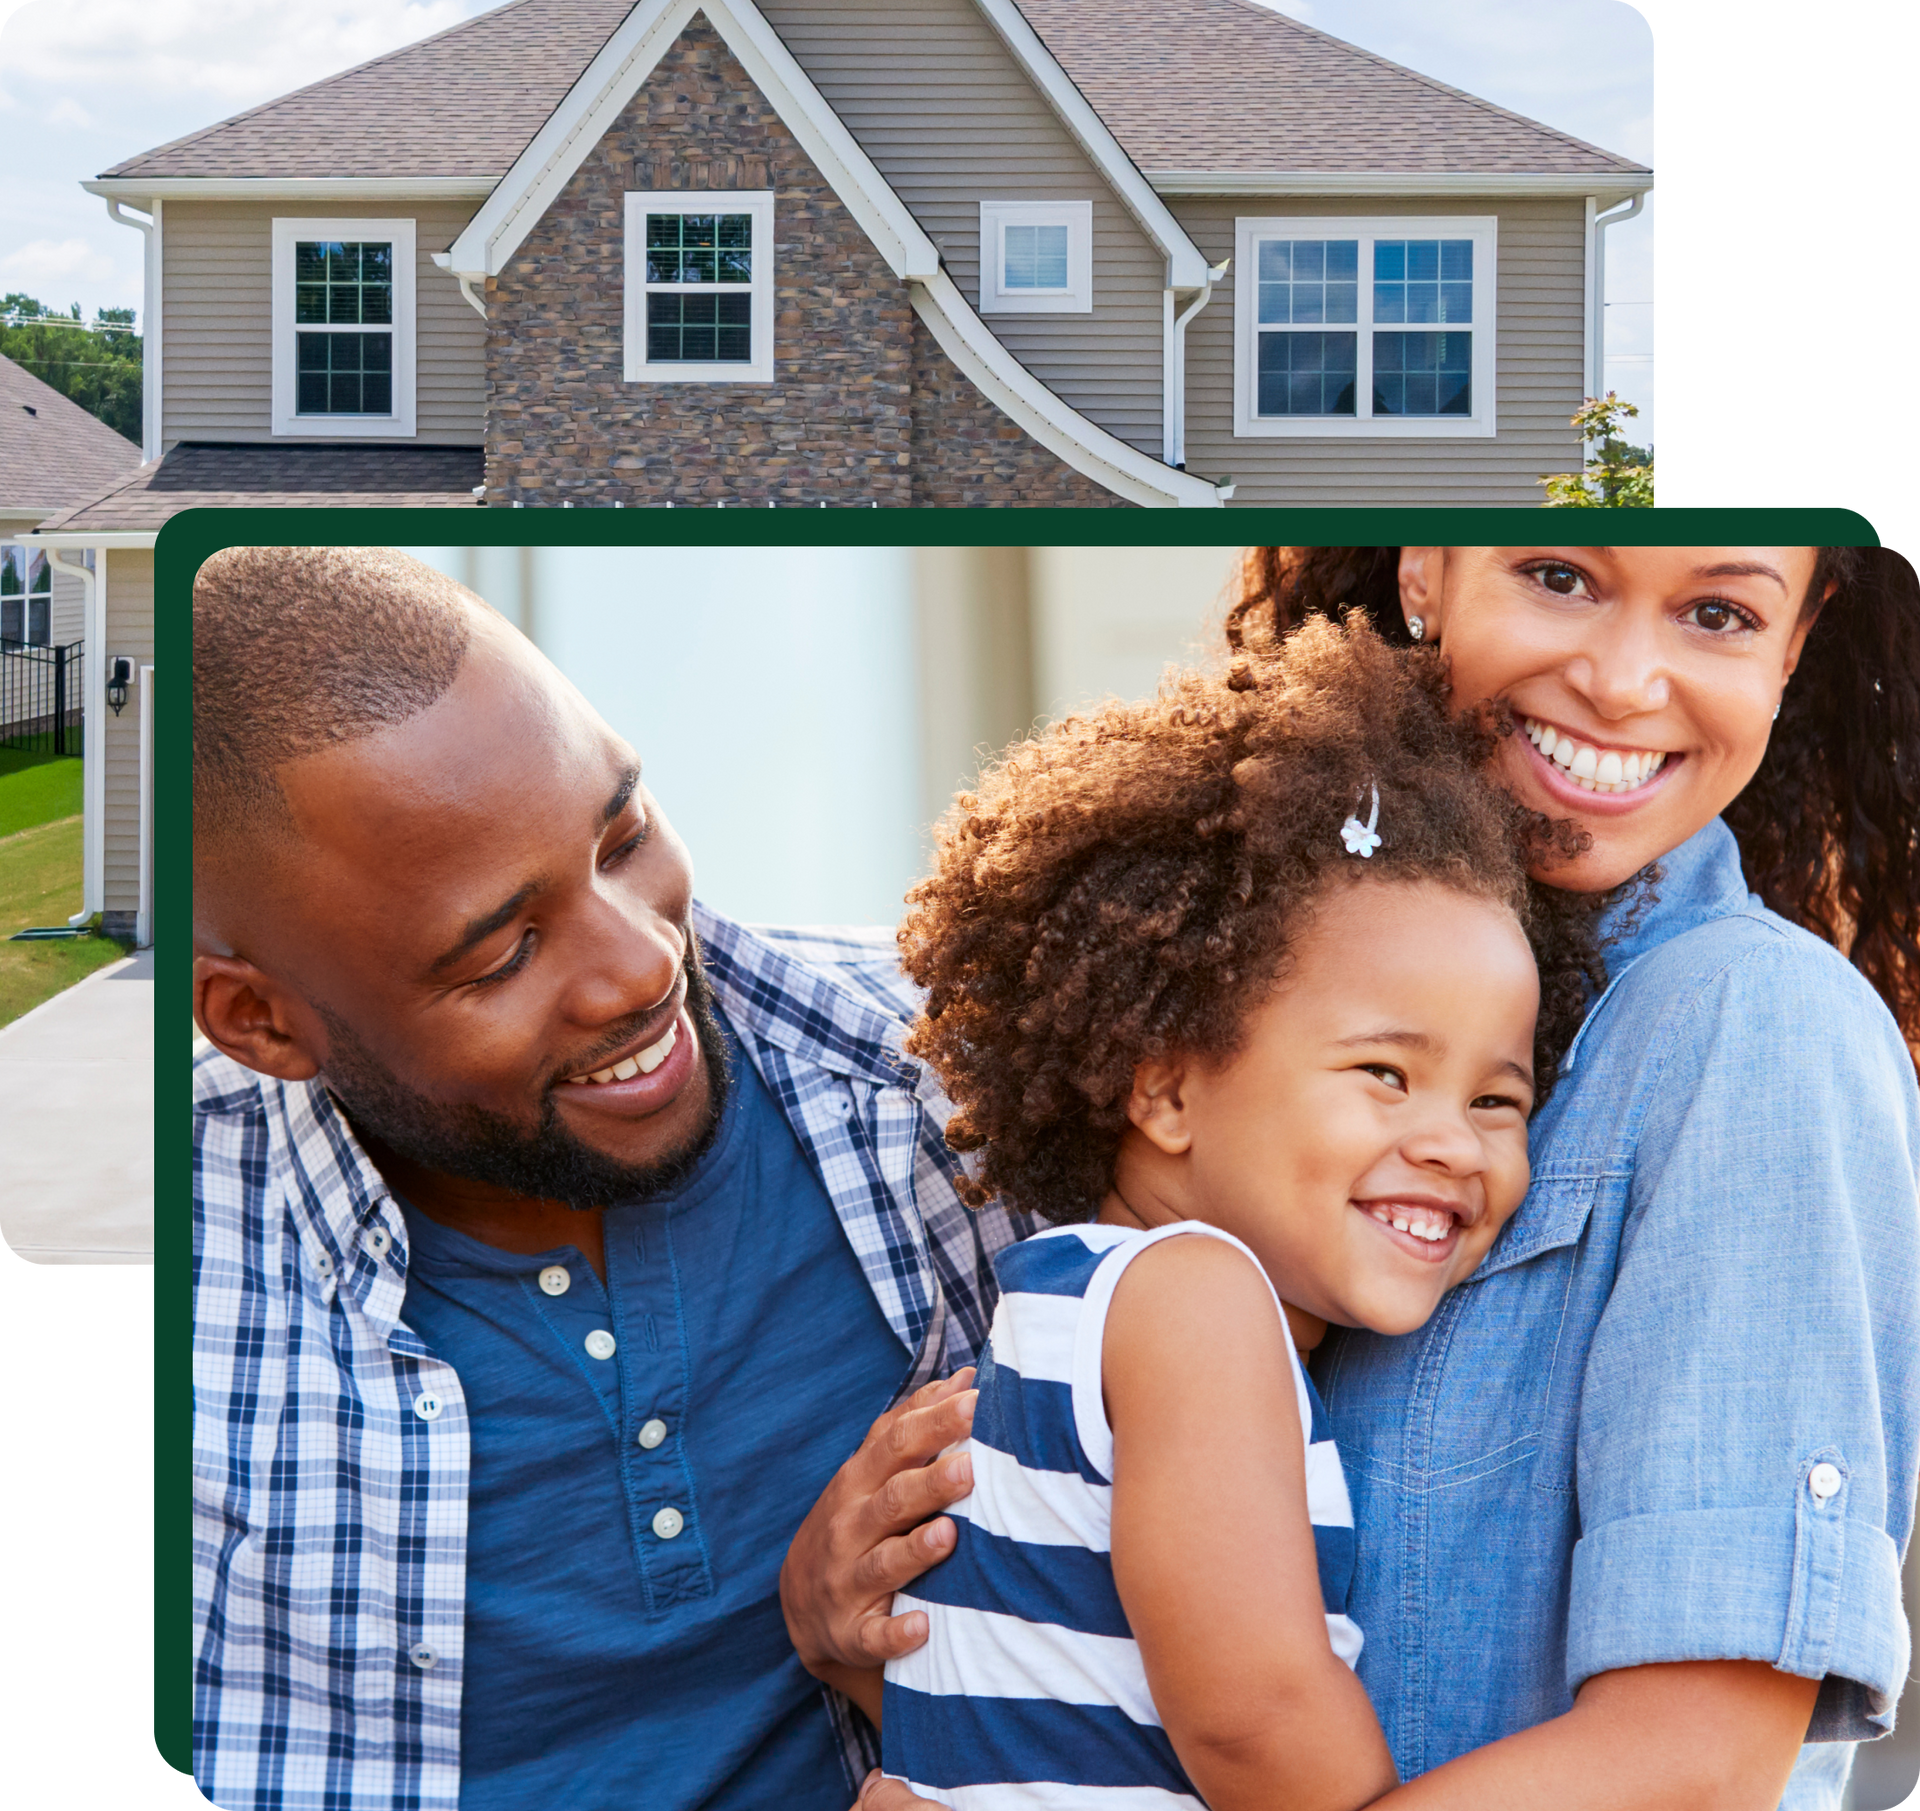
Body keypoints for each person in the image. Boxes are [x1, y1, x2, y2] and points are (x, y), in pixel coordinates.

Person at [784, 545, 1920, 1811]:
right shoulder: (1258, 1013)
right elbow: (1115, 1693)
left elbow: (1691, 1768)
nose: (1623, 676)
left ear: (1797, 639)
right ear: (1426, 566)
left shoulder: (1754, 1028)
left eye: (1719, 610)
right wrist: (862, 1635)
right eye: (1559, 575)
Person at [188, 546, 1025, 1811]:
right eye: (504, 951)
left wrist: (899, 1668)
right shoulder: (194, 1284)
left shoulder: (964, 1082)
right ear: (260, 1021)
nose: (639, 966)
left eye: (623, 835)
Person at [877, 615, 1600, 1810]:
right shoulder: (1193, 1299)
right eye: (1384, 1072)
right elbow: (1257, 1717)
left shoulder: (1072, 1295)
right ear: (1165, 1084)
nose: (1448, 1139)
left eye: (1498, 1095)